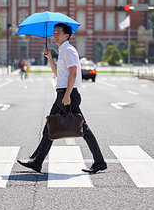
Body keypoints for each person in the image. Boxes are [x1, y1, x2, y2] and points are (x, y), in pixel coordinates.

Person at [17, 23, 107, 174]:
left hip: (68, 94)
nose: (55, 35)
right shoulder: (62, 50)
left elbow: (73, 73)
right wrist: (49, 57)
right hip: (62, 93)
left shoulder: (69, 50)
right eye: (54, 33)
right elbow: (59, 74)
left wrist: (67, 95)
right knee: (50, 126)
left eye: (58, 32)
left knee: (82, 128)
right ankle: (37, 162)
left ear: (67, 35)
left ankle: (99, 161)